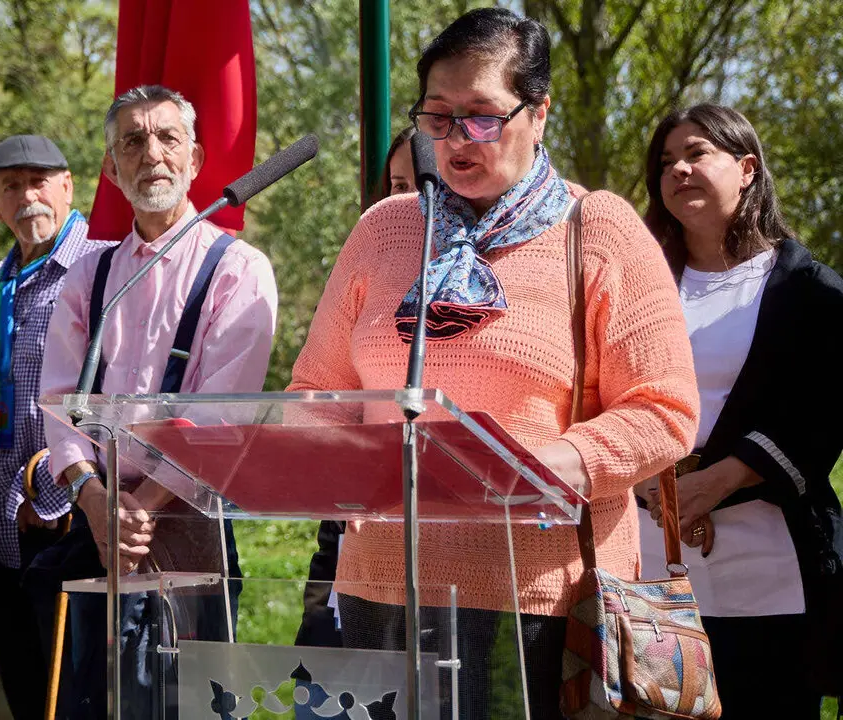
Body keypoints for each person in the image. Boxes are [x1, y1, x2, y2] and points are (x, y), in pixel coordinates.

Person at [286, 9, 699, 718]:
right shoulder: (384, 230)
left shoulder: (598, 230)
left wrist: (537, 467)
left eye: (480, 116)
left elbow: (665, 411)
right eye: (436, 117)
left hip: (541, 600)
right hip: (379, 591)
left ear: (538, 113)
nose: (453, 139)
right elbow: (317, 390)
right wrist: (336, 467)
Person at [39, 84, 278, 719]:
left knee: (186, 706)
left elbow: (220, 413)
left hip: (187, 520)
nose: (153, 155)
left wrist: (141, 508)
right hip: (96, 518)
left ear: (196, 159)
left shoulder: (238, 271)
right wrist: (93, 500)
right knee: (92, 702)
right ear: (110, 170)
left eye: (168, 138)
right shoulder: (88, 278)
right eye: (133, 142)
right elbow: (57, 400)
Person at [637, 103, 843, 719]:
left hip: (769, 564)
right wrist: (652, 482)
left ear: (747, 167)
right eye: (666, 161)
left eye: (696, 153)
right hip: (648, 566)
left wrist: (711, 484)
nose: (679, 169)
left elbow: (822, 411)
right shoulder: (638, 282)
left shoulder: (811, 291)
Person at [0, 135, 111, 720]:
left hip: (79, 521)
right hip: (3, 528)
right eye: (11, 186)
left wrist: (62, 498)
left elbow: (119, 391)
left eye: (38, 180)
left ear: (68, 185)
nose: (27, 196)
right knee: (28, 694)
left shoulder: (104, 265)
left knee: (81, 698)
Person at [298, 126, 420, 650]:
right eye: (397, 185)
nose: (410, 200)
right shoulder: (368, 263)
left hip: (451, 545)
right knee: (325, 685)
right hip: (352, 524)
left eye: (425, 184)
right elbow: (319, 387)